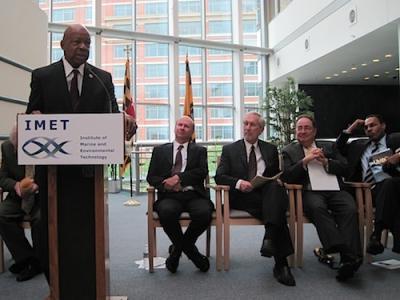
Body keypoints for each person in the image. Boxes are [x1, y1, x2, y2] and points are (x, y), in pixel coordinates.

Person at [25, 24, 136, 299]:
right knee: (47, 234)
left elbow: (113, 110)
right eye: (77, 42)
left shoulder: (102, 77)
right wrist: (36, 116)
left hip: (89, 175)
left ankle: (91, 289)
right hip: (53, 175)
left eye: (87, 43)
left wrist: (124, 120)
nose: (83, 48)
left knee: (86, 236)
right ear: (62, 44)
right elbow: (33, 113)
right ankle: (58, 290)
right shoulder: (42, 76)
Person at [215, 112, 295, 287]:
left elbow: (274, 174)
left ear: (261, 129)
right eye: (245, 124)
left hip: (265, 193)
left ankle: (271, 240)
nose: (247, 128)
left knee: (274, 188)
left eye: (252, 125)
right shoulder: (230, 149)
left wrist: (277, 179)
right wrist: (238, 182)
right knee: (276, 210)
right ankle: (280, 261)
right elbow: (219, 176)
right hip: (241, 197)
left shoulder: (270, 149)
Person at [281, 115, 362, 281]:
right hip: (310, 191)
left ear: (315, 131)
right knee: (317, 207)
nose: (302, 131)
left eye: (306, 128)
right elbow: (287, 177)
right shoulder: (289, 150)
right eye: (299, 128)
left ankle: (348, 260)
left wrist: (326, 162)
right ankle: (346, 252)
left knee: (350, 208)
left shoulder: (329, 146)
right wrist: (305, 161)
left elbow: (346, 169)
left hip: (335, 190)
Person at [147, 116, 213, 273]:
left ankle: (177, 250)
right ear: (175, 127)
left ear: (192, 132)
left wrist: (179, 178)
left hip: (193, 194)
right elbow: (151, 177)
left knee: (204, 213)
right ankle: (192, 253)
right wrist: (166, 184)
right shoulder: (159, 151)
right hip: (169, 196)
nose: (182, 128)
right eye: (180, 125)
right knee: (167, 212)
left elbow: (202, 172)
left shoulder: (200, 151)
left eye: (186, 126)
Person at [336, 114, 400, 255]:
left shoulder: (395, 140)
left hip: (393, 187)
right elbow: (338, 146)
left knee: (389, 184)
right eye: (366, 127)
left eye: (373, 125)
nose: (369, 129)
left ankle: (376, 234)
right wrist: (352, 128)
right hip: (365, 190)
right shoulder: (358, 145)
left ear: (383, 126)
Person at [0, 126, 41, 282]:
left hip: (39, 198)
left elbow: (52, 176)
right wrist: (15, 186)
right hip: (17, 197)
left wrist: (38, 186)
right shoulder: (7, 147)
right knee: (2, 215)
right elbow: (2, 178)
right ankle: (28, 259)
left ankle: (41, 259)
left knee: (40, 220)